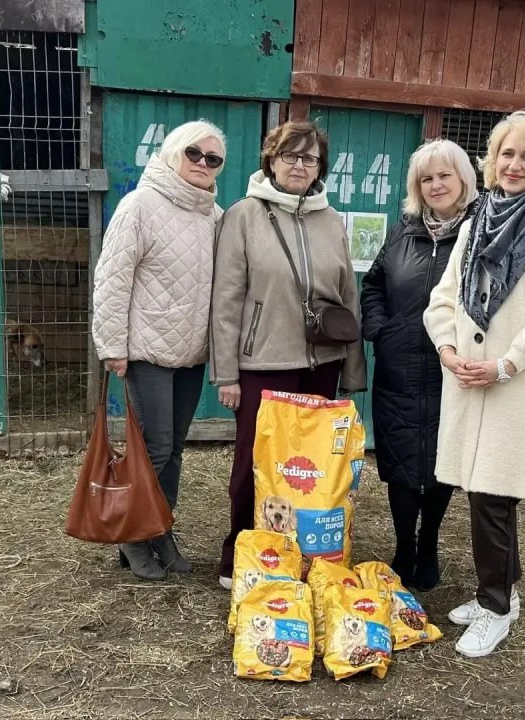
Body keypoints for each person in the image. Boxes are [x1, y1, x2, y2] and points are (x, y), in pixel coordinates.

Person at [423, 111, 525, 657]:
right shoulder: (477, 221)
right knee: (483, 492)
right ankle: (504, 594)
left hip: (517, 384)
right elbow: (444, 298)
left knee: (494, 496)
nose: (514, 165)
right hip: (469, 378)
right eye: (506, 154)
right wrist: (447, 348)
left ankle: (494, 607)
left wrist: (507, 363)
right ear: (492, 161)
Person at [210, 120, 367, 590]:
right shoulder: (243, 215)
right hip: (262, 363)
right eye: (290, 156)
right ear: (271, 161)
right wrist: (226, 373)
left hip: (322, 363)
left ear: (320, 167)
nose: (299, 165)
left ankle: (301, 555)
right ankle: (239, 552)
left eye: (309, 158)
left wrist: (352, 370)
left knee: (308, 467)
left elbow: (348, 296)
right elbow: (225, 299)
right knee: (253, 463)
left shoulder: (331, 220)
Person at [91, 120, 227, 581]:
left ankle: (160, 529)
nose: (203, 163)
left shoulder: (214, 216)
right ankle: (133, 536)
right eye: (194, 153)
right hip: (147, 350)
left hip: (190, 353)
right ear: (173, 152)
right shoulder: (140, 205)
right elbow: (113, 278)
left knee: (174, 449)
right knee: (155, 447)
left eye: (213, 158)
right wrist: (112, 344)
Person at [360, 139, 479, 592]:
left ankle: (428, 543)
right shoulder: (402, 231)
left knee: (440, 462)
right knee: (401, 462)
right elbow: (373, 285)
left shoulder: (480, 232)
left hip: (452, 368)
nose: (436, 185)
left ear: (463, 179)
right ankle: (403, 546)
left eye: (444, 175)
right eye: (426, 178)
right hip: (399, 366)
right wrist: (381, 330)